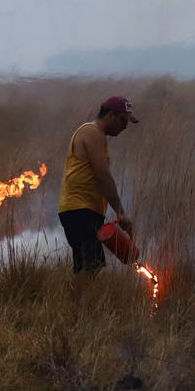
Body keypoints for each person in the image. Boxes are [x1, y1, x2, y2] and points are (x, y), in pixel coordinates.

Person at [57, 95, 138, 279]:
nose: (125, 127)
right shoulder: (92, 133)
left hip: (83, 210)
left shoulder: (97, 135)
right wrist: (120, 212)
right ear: (111, 116)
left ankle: (78, 306)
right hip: (80, 209)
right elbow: (103, 176)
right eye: (123, 121)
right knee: (90, 267)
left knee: (86, 267)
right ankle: (82, 307)